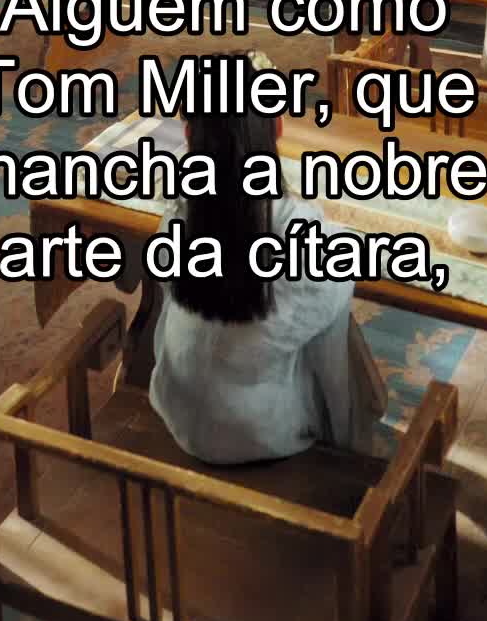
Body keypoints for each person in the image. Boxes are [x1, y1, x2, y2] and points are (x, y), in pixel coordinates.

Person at [148, 103, 388, 464]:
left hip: (177, 411)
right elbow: (332, 367)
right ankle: (348, 452)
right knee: (332, 322)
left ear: (188, 136)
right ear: (277, 127)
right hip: (258, 438)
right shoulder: (300, 238)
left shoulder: (177, 215)